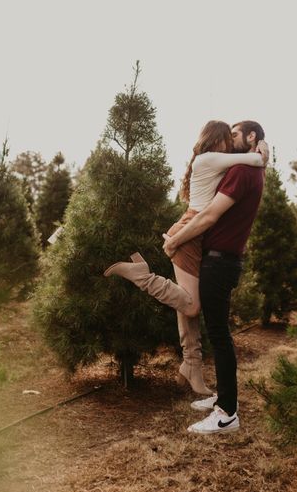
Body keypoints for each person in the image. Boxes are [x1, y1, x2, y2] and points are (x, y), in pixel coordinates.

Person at [104, 120, 268, 398]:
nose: (230, 141)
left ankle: (191, 365)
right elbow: (255, 158)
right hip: (191, 231)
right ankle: (141, 274)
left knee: (184, 300)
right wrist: (265, 149)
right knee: (191, 306)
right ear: (217, 140)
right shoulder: (211, 158)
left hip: (193, 231)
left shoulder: (214, 160)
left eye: (235, 135)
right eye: (228, 136)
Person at [162, 120, 266, 434]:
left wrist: (177, 239)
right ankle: (223, 396)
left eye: (235, 133)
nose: (229, 138)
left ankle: (227, 413)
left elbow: (208, 215)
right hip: (219, 259)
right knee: (217, 332)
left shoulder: (242, 171)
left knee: (219, 336)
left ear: (250, 137)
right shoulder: (240, 168)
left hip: (220, 263)